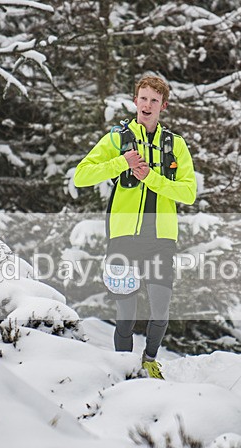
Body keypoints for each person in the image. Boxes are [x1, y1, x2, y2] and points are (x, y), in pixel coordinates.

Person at [73, 75, 197, 379]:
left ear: (163, 106)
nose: (147, 105)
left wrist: (151, 178)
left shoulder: (175, 145)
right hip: (124, 237)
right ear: (135, 101)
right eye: (143, 98)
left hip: (161, 239)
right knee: (126, 314)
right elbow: (81, 175)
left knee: (160, 310)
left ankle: (150, 360)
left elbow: (189, 192)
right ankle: (122, 369)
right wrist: (121, 163)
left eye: (154, 100)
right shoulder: (117, 138)